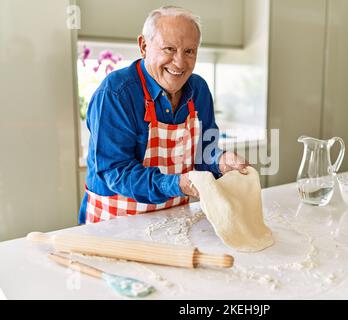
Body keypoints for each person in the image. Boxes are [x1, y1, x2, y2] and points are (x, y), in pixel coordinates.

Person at [78, 6, 248, 224]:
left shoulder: (199, 90)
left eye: (189, 51)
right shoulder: (115, 93)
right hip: (116, 221)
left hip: (175, 217)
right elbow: (116, 171)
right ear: (143, 46)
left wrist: (220, 160)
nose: (179, 63)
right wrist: (177, 185)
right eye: (169, 49)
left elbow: (204, 150)